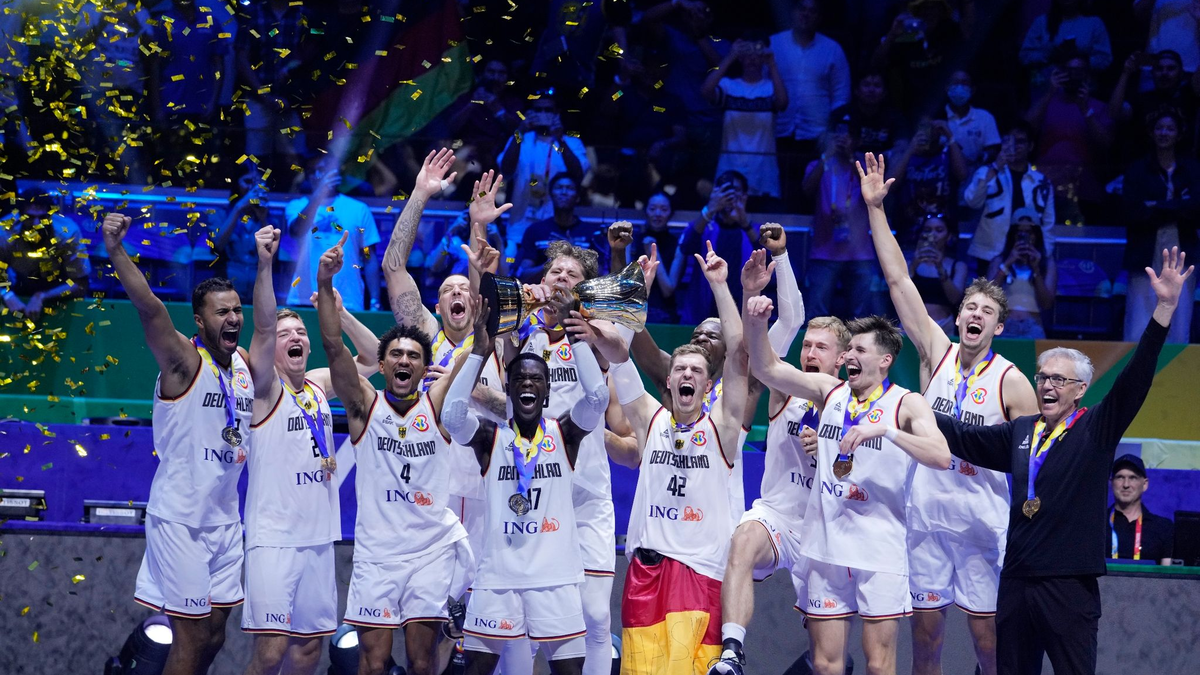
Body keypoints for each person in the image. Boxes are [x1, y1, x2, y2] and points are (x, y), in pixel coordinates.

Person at [932, 247, 1193, 675]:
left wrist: (1164, 307)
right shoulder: (1021, 431)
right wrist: (906, 406)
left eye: (1059, 379)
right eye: (1042, 377)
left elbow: (1137, 376)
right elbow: (964, 437)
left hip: (1069, 586)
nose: (1047, 385)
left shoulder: (1096, 428)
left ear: (1080, 390)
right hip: (1015, 580)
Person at [859, 152, 1039, 675]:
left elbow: (1031, 462)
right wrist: (876, 208)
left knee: (988, 642)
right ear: (957, 316)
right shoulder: (935, 353)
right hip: (929, 518)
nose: (975, 315)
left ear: (998, 327)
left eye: (987, 312)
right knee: (928, 639)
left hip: (984, 524)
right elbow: (900, 284)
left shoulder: (1012, 382)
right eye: (970, 308)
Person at [744, 299, 951, 675]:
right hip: (827, 546)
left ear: (884, 360)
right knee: (825, 665)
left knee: (878, 664)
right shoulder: (829, 391)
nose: (849, 355)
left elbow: (940, 455)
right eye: (849, 348)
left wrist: (886, 431)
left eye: (859, 349)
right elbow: (766, 367)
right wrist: (757, 324)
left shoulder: (907, 404)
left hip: (880, 549)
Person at [103, 211, 256, 675]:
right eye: (221, 312)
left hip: (226, 520)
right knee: (190, 633)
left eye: (236, 309)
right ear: (199, 320)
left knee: (214, 634)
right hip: (182, 520)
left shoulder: (244, 364)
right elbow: (150, 307)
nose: (233, 318)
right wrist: (115, 250)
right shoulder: (183, 363)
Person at [315, 233, 470, 675]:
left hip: (429, 551)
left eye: (413, 356)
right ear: (382, 366)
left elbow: (479, 344)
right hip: (377, 554)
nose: (404, 361)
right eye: (396, 354)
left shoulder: (436, 403)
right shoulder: (364, 406)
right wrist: (326, 286)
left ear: (425, 368)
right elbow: (331, 345)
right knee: (374, 660)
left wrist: (485, 275)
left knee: (423, 662)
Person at [442, 292, 610, 675]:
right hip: (497, 580)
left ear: (546, 391)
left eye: (537, 379)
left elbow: (597, 397)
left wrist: (574, 334)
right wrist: (478, 354)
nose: (528, 384)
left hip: (556, 579)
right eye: (520, 379)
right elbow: (452, 416)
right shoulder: (490, 437)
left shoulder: (565, 435)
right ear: (510, 388)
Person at [604, 244, 750, 675]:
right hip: (644, 575)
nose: (688, 375)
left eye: (697, 371)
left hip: (700, 575)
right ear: (668, 381)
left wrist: (722, 287)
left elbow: (740, 357)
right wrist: (637, 294)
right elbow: (618, 354)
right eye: (681, 369)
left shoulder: (723, 429)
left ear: (709, 385)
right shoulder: (651, 420)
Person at [240, 226, 376, 675]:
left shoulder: (318, 383)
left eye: (301, 330)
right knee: (272, 650)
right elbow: (260, 327)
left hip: (318, 537)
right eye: (286, 333)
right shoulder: (264, 387)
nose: (296, 336)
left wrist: (336, 307)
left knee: (309, 648)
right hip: (274, 537)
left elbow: (373, 358)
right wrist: (264, 265)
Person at [706, 307, 847, 674]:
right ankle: (732, 651)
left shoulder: (856, 406)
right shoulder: (787, 392)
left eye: (821, 348)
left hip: (825, 531)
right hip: (778, 517)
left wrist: (834, 446)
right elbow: (761, 358)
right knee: (744, 539)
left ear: (842, 358)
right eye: (808, 345)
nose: (810, 354)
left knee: (825, 660)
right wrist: (755, 315)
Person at [509, 241, 623, 675]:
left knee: (594, 614)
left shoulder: (595, 330)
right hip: (531, 489)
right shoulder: (524, 328)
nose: (560, 278)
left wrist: (584, 325)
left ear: (583, 291)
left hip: (587, 492)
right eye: (555, 271)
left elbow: (621, 351)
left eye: (571, 275)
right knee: (525, 616)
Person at [1120, 108, 1199, 343]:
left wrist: (1156, 206)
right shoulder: (1137, 170)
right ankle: (1132, 379)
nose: (1164, 133)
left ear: (1179, 134)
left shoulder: (1192, 170)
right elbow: (1133, 212)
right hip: (1145, 254)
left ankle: (1176, 378)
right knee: (1137, 325)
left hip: (1182, 254)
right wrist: (1177, 205)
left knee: (1179, 326)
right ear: (1152, 133)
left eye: (1170, 128)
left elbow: (1195, 209)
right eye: (1159, 128)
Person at [770, 0, 851, 211]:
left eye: (812, 11)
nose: (806, 15)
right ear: (793, 13)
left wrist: (830, 134)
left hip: (817, 137)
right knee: (778, 190)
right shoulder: (774, 44)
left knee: (811, 193)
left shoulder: (832, 50)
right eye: (801, 10)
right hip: (778, 131)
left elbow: (841, 97)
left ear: (819, 17)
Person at [1024, 49, 1114, 225]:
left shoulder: (1098, 107)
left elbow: (1106, 143)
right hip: (1045, 189)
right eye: (1068, 70)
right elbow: (1025, 128)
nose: (1073, 76)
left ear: (1087, 76)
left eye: (1078, 71)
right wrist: (1050, 92)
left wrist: (1085, 109)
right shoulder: (1046, 103)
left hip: (1085, 192)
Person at [802, 112, 878, 320]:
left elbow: (874, 195)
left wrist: (852, 159)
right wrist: (827, 155)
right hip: (824, 252)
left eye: (848, 136)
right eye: (838, 135)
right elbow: (807, 190)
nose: (842, 140)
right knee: (816, 316)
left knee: (861, 317)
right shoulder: (820, 164)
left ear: (858, 140)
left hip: (860, 254)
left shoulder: (865, 167)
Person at [283, 152, 381, 312]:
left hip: (348, 299)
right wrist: (318, 196)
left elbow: (369, 257)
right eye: (313, 171)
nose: (319, 175)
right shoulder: (297, 206)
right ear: (308, 177)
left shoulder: (359, 209)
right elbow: (296, 231)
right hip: (304, 298)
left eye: (324, 170)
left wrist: (375, 300)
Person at [702, 36, 789, 206]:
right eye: (747, 54)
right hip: (730, 167)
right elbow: (706, 91)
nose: (752, 58)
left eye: (756, 53)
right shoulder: (728, 85)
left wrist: (771, 63)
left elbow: (783, 103)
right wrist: (731, 56)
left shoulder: (770, 87)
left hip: (764, 171)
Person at [964, 122, 1056, 276]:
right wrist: (995, 167)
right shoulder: (986, 172)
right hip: (990, 252)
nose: (1014, 146)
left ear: (1030, 146)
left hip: (1029, 253)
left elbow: (1048, 224)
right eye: (1009, 141)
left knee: (1022, 297)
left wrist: (1044, 255)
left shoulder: (1042, 182)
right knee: (987, 298)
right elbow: (972, 201)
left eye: (1020, 141)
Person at [235, 0, 311, 182]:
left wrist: (292, 94)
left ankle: (292, 201)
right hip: (257, 101)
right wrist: (264, 95)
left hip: (293, 102)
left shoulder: (304, 15)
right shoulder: (252, 14)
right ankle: (255, 203)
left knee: (293, 160)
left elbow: (311, 55)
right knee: (256, 159)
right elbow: (241, 59)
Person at [677, 170, 761, 324]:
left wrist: (744, 222)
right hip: (700, 317)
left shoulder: (753, 230)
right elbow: (686, 247)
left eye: (735, 191)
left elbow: (768, 259)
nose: (729, 196)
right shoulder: (703, 226)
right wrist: (710, 209)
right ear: (715, 193)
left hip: (741, 317)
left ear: (744, 196)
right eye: (724, 190)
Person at [498, 93, 589, 225]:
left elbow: (578, 175)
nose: (543, 113)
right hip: (519, 223)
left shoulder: (572, 142)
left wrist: (560, 139)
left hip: (556, 224)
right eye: (538, 110)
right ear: (530, 112)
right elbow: (506, 170)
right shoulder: (520, 140)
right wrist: (520, 132)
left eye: (548, 110)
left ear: (557, 113)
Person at [1, 191, 90, 318]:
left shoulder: (68, 233)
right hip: (18, 286)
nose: (36, 224)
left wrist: (42, 296)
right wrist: (6, 294)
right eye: (30, 217)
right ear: (20, 216)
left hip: (60, 290)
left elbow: (81, 284)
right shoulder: (4, 232)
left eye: (42, 218)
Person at [513, 173, 609, 283]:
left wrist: (574, 252)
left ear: (577, 197)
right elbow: (523, 275)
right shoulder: (535, 230)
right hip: (542, 294)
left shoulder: (591, 232)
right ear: (551, 195)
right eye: (559, 188)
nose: (564, 192)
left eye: (569, 188)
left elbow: (600, 276)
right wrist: (553, 261)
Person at [608, 193, 681, 324]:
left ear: (670, 213)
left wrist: (654, 253)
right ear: (646, 211)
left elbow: (668, 290)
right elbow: (624, 284)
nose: (657, 213)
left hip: (665, 313)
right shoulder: (631, 240)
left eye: (664, 209)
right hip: (633, 311)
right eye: (652, 209)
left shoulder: (677, 245)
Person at [988, 209, 1057, 340]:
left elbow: (1047, 303)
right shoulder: (999, 261)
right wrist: (1007, 264)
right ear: (1013, 235)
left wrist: (1036, 269)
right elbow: (988, 296)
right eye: (1020, 233)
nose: (1024, 237)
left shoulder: (1047, 263)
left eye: (1029, 233)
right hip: (1004, 326)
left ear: (1036, 235)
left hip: (1033, 326)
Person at [1019, 0, 1113, 90]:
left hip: (1082, 90)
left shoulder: (1094, 23)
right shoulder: (1041, 22)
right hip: (1045, 89)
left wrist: (1081, 60)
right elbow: (1025, 56)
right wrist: (1049, 55)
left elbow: (1105, 58)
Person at [213, 170, 274, 300]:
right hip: (228, 283)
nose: (252, 188)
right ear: (236, 185)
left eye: (258, 184)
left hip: (259, 285)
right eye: (247, 182)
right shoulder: (220, 215)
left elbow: (272, 255)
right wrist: (238, 208)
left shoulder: (271, 220)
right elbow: (218, 244)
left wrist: (263, 219)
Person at [909, 213, 969, 337]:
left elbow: (955, 299)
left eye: (939, 230)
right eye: (927, 230)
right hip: (911, 325)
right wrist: (914, 265)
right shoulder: (909, 263)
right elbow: (898, 293)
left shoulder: (958, 266)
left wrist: (940, 267)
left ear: (948, 236)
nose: (933, 235)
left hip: (944, 326)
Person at [1109, 454, 1174, 565]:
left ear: (1144, 484)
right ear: (1111, 483)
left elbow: (1169, 575)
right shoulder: (1096, 525)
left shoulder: (1163, 527)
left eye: (1133, 478)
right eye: (1120, 477)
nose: (1126, 484)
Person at [943, 70, 1001, 178]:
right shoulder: (937, 117)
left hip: (976, 177)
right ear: (947, 87)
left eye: (964, 83)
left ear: (972, 89)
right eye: (955, 83)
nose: (959, 87)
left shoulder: (985, 117)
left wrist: (980, 159)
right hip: (944, 177)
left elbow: (993, 149)